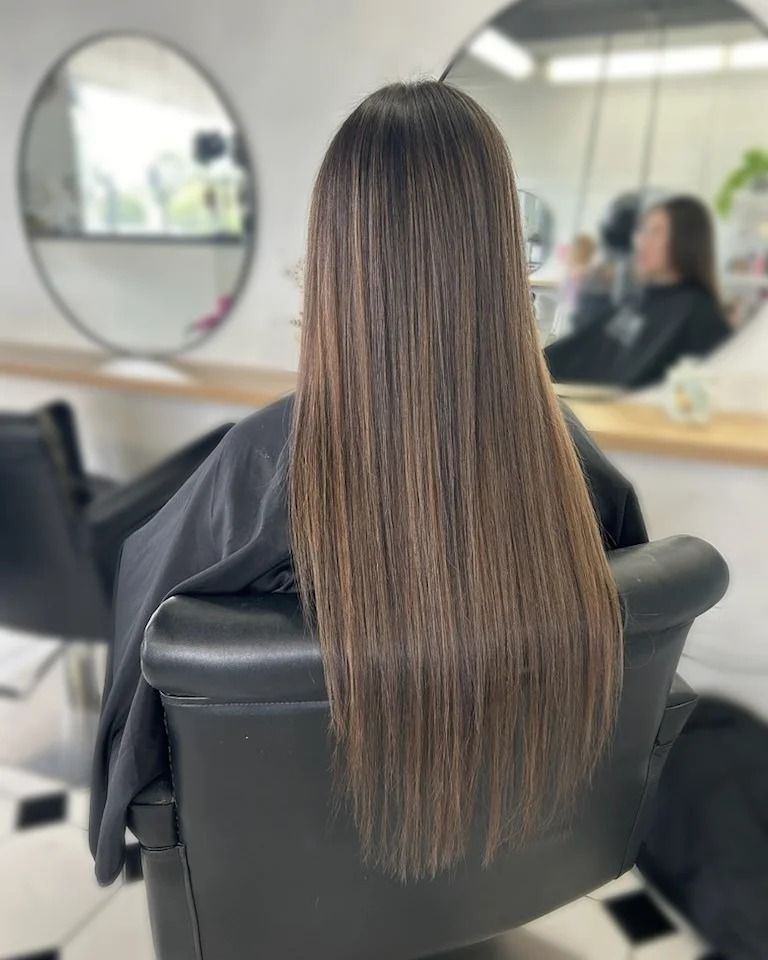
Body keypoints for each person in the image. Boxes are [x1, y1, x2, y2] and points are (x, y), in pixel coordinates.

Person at [89, 81, 647, 886]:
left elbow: (138, 705)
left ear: (336, 258)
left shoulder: (258, 468)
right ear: (502, 254)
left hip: (298, 878)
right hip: (504, 861)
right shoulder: (569, 460)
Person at [546, 195, 732, 388]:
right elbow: (589, 349)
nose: (641, 242)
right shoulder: (640, 304)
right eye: (643, 231)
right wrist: (535, 366)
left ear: (685, 240)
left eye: (656, 232)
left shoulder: (698, 315)